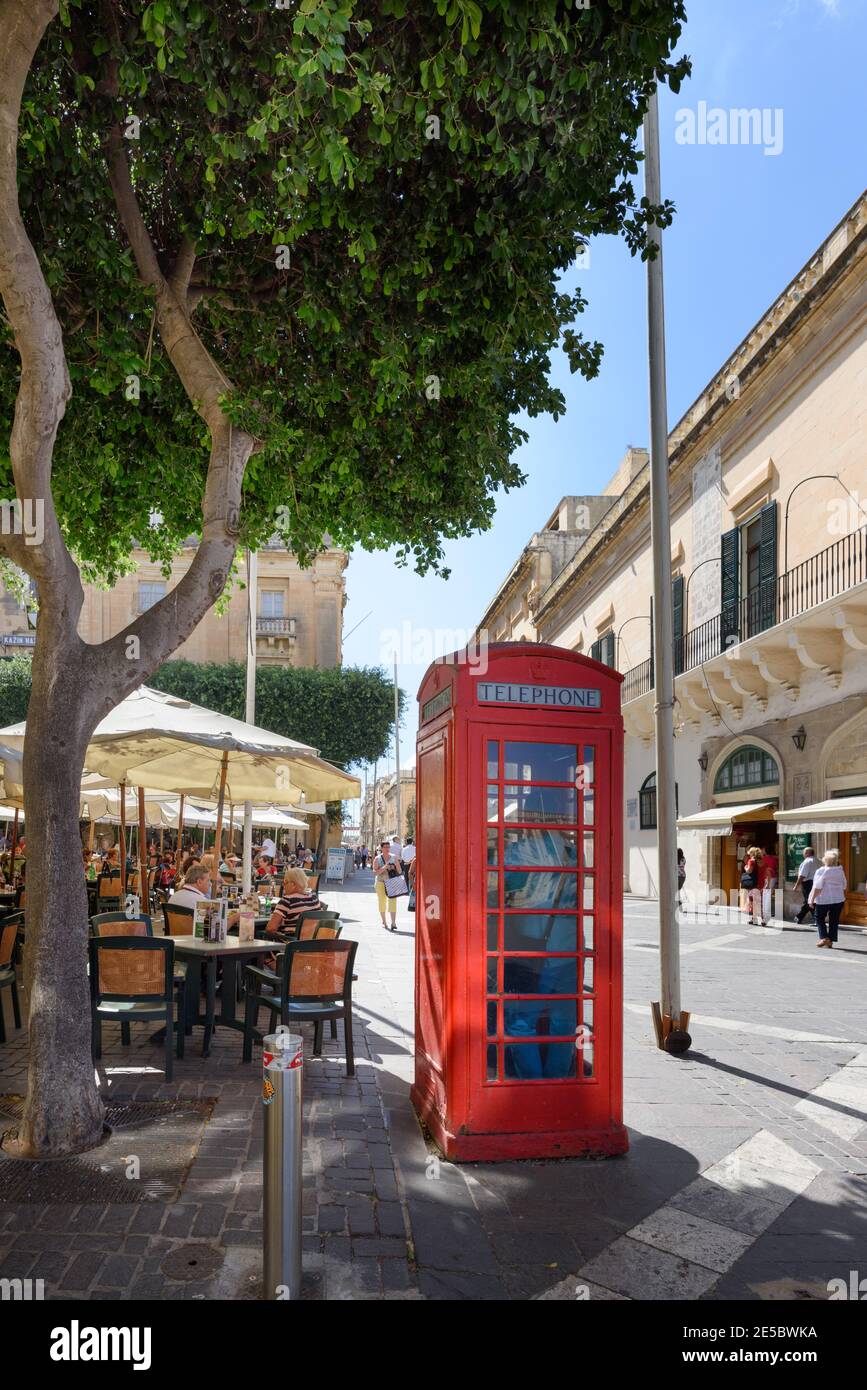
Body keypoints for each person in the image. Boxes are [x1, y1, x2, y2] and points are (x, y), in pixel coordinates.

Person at [266, 867, 321, 941]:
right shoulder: (314, 899)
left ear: (293, 884)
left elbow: (271, 928)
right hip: (311, 945)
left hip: (290, 945)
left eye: (285, 882)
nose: (283, 885)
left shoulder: (287, 900)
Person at [808, 849, 847, 948]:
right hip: (838, 899)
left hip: (824, 899)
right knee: (834, 920)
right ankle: (830, 940)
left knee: (819, 917)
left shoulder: (821, 871)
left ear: (825, 860)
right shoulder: (840, 870)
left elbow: (817, 887)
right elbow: (844, 885)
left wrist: (812, 899)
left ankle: (824, 938)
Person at [373, 839, 399, 930]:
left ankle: (393, 923)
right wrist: (384, 868)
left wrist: (393, 867)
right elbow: (374, 873)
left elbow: (399, 871)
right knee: (382, 902)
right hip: (380, 883)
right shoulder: (377, 858)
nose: (387, 849)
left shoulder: (394, 857)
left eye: (388, 847)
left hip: (391, 882)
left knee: (393, 902)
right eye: (385, 847)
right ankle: (384, 921)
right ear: (381, 848)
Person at [794, 845, 818, 923]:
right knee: (809, 900)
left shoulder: (807, 861)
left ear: (807, 853)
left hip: (808, 883)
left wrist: (796, 885)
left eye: (804, 852)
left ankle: (816, 919)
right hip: (817, 883)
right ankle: (799, 917)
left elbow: (802, 875)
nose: (803, 854)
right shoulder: (818, 861)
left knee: (809, 901)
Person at [740, 846, 763, 925]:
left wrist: (745, 867)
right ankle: (761, 919)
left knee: (751, 901)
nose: (749, 855)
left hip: (753, 884)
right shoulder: (761, 861)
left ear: (752, 853)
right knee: (758, 901)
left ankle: (754, 919)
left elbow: (749, 871)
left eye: (750, 853)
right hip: (761, 883)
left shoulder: (751, 861)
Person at [759, 847, 778, 926]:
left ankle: (765, 918)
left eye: (763, 850)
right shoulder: (775, 859)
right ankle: (766, 916)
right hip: (773, 878)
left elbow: (767, 870)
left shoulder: (764, 859)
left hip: (767, 878)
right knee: (768, 897)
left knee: (765, 897)